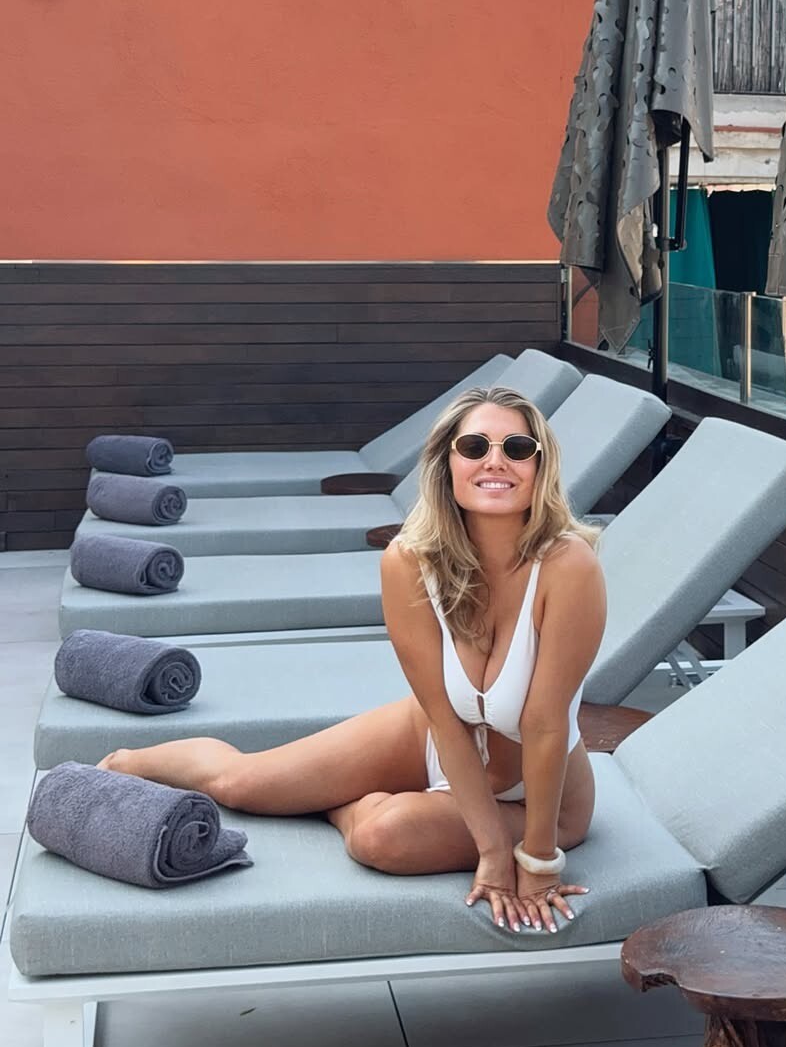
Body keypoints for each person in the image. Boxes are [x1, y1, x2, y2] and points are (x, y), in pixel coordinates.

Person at [98, 386, 607, 935]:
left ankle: (337, 805)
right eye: (475, 446)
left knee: (381, 838)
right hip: (435, 736)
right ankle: (122, 763)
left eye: (518, 448)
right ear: (446, 463)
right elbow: (443, 717)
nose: (496, 462)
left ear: (540, 466)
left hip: (535, 800)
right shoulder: (409, 562)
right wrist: (489, 850)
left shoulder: (568, 566)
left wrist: (534, 862)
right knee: (241, 785)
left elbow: (545, 726)